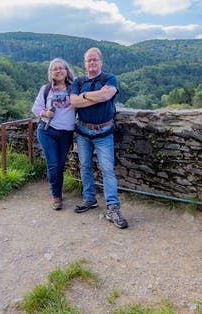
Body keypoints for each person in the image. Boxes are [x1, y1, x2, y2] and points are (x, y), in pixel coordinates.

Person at [70, 47, 128, 229]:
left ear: (101, 62)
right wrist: (95, 97)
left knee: (107, 169)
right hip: (83, 132)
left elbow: (106, 95)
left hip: (104, 132)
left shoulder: (110, 78)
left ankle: (112, 206)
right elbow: (73, 102)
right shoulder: (78, 81)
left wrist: (85, 95)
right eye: (89, 60)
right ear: (84, 63)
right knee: (85, 166)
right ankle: (90, 199)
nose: (92, 63)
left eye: (95, 60)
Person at [32, 58, 77, 211]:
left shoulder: (74, 88)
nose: (58, 71)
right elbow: (35, 108)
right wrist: (45, 112)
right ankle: (56, 196)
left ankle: (57, 191)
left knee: (60, 164)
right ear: (51, 73)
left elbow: (83, 102)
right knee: (53, 164)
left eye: (61, 68)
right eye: (54, 69)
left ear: (66, 70)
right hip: (47, 131)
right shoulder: (46, 89)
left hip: (66, 133)